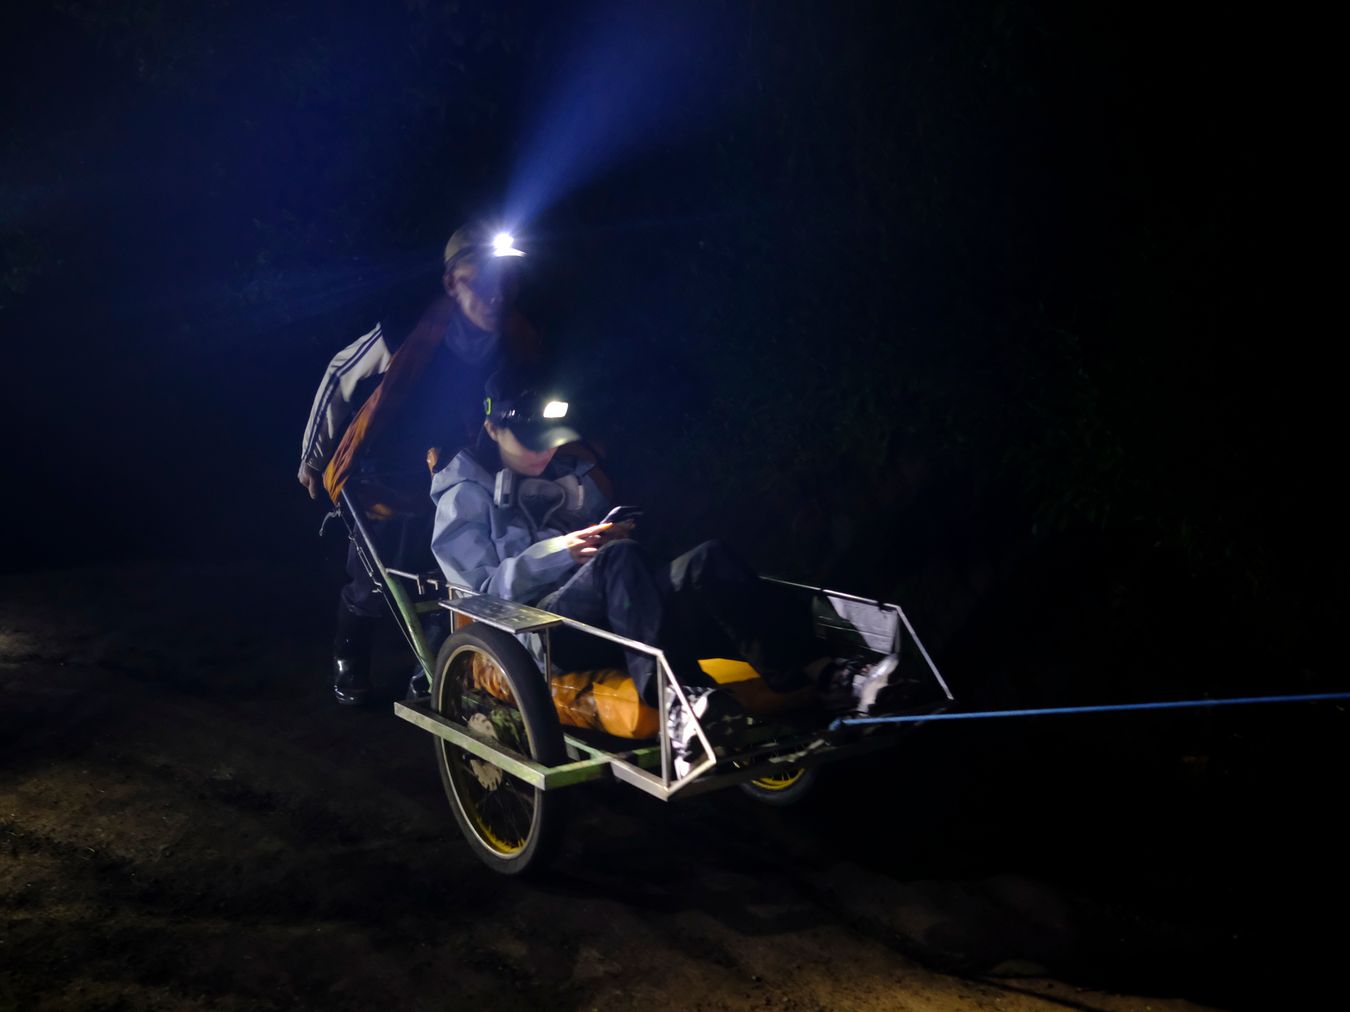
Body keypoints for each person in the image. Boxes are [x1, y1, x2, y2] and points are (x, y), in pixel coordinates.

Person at [429, 368, 907, 772]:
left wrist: (611, 533)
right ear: (492, 429)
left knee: (706, 559)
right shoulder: (463, 495)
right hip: (545, 631)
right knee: (618, 560)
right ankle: (675, 708)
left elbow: (623, 554)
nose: (545, 452)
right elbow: (481, 593)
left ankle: (821, 673)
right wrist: (561, 552)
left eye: (550, 440)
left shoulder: (566, 476)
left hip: (615, 602)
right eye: (528, 441)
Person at [298, 223, 541, 705]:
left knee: (455, 570)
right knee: (374, 579)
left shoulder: (518, 342)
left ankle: (433, 665)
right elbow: (340, 376)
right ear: (453, 283)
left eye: (506, 283)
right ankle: (350, 658)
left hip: (458, 471)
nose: (497, 295)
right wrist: (313, 456)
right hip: (385, 469)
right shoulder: (411, 329)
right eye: (483, 282)